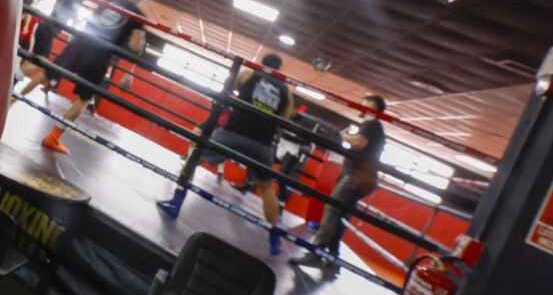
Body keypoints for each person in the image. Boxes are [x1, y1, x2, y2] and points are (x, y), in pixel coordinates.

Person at [157, 53, 295, 256]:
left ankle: (176, 203)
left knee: (194, 158)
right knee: (267, 189)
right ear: (279, 69)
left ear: (261, 64)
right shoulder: (286, 92)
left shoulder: (249, 74)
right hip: (262, 144)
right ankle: (274, 239)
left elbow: (229, 88)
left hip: (232, 133)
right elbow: (282, 125)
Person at [16, 0, 148, 154]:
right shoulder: (138, 16)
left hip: (79, 43)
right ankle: (53, 137)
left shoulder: (110, 0)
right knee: (84, 99)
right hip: (99, 54)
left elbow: (93, 21)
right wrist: (141, 40)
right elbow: (135, 45)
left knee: (47, 73)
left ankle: (11, 99)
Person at [292, 94, 387, 273]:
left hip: (355, 177)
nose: (360, 105)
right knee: (341, 215)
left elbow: (359, 143)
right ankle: (333, 256)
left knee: (332, 210)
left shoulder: (371, 124)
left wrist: (344, 135)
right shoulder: (375, 127)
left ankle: (317, 253)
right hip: (359, 177)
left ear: (372, 105)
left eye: (364, 103)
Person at [20, 0, 94, 80]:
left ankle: (13, 80)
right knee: (42, 62)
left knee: (36, 60)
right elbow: (66, 14)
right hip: (48, 29)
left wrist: (78, 18)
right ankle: (15, 78)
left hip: (45, 27)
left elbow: (68, 15)